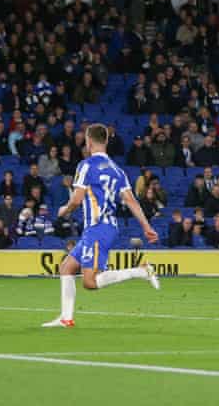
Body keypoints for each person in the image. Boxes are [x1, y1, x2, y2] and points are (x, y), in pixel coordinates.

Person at [43, 124, 160, 328]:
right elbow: (132, 201)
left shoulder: (86, 166)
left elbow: (77, 199)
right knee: (67, 267)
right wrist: (146, 226)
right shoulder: (117, 170)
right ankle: (66, 318)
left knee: (90, 282)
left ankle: (141, 271)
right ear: (105, 141)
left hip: (98, 227)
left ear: (88, 142)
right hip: (105, 227)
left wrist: (64, 209)